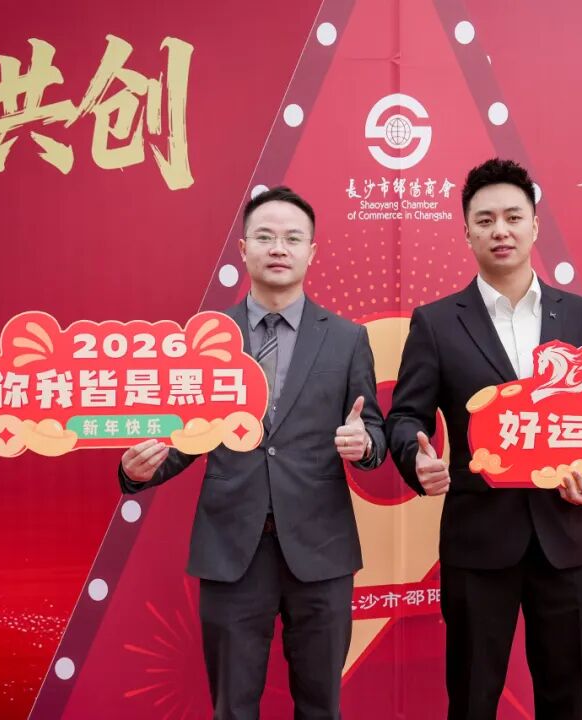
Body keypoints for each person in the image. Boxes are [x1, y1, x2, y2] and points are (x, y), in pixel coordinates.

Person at [119, 186, 386, 720]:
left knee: (321, 706)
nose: (278, 248)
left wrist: (365, 445)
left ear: (312, 251)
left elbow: (373, 429)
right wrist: (137, 471)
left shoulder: (347, 339)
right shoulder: (204, 341)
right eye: (265, 237)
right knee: (232, 707)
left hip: (321, 548)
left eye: (293, 238)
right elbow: (184, 436)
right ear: (243, 250)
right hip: (232, 549)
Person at [387, 159, 582, 719]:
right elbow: (405, 416)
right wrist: (416, 457)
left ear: (535, 225)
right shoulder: (437, 322)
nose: (500, 230)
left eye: (513, 217)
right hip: (478, 540)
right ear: (467, 232)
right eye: (485, 220)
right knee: (472, 699)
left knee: (567, 701)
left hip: (566, 537)